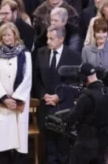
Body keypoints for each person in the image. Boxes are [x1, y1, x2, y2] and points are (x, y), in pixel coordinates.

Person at [33, 25, 82, 164]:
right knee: (49, 148)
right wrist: (43, 95)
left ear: (61, 39)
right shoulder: (41, 53)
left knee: (63, 148)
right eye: (47, 38)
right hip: (45, 107)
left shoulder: (73, 57)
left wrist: (59, 97)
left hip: (64, 108)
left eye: (51, 39)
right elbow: (35, 78)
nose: (48, 42)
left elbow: (76, 84)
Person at [0, 22, 32, 163]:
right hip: (2, 105)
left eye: (9, 35)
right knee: (3, 143)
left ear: (15, 36)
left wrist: (15, 99)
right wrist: (5, 98)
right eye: (3, 35)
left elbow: (27, 78)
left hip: (18, 103)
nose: (6, 38)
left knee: (18, 144)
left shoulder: (25, 54)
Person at [65, 63, 108, 164]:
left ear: (83, 78)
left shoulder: (85, 97)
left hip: (85, 144)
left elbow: (71, 119)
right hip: (104, 144)